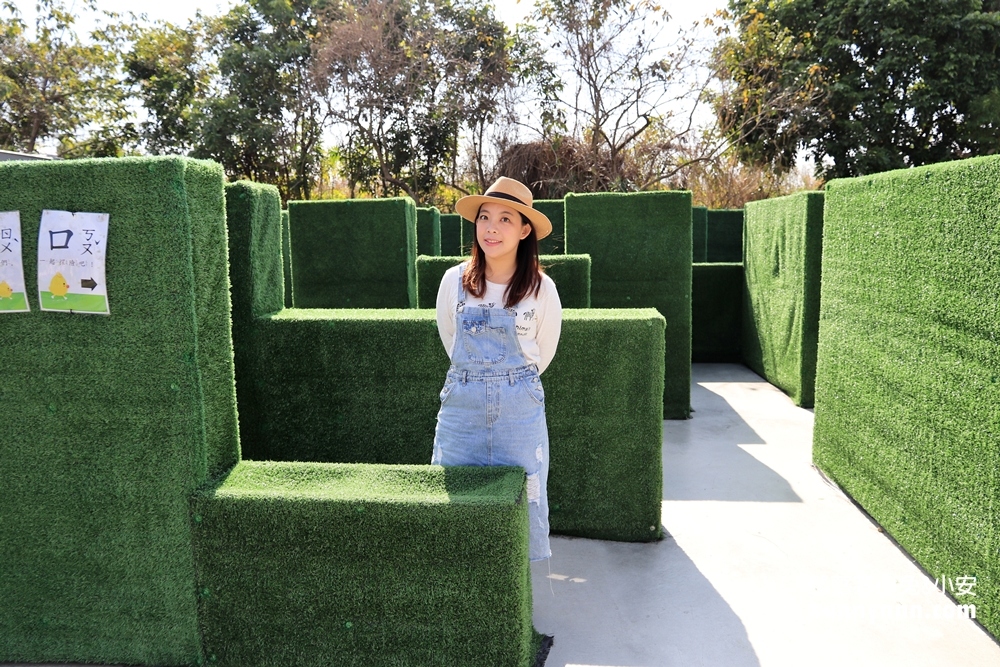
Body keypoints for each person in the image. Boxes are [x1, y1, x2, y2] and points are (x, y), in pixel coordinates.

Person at [433, 176, 562, 562]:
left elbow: (544, 352)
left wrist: (508, 382)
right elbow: (450, 339)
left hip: (519, 412)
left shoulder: (542, 289)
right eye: (485, 217)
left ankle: (512, 598)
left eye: (506, 219)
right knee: (453, 498)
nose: (491, 227)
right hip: (462, 409)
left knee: (523, 498)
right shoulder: (453, 281)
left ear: (525, 230)